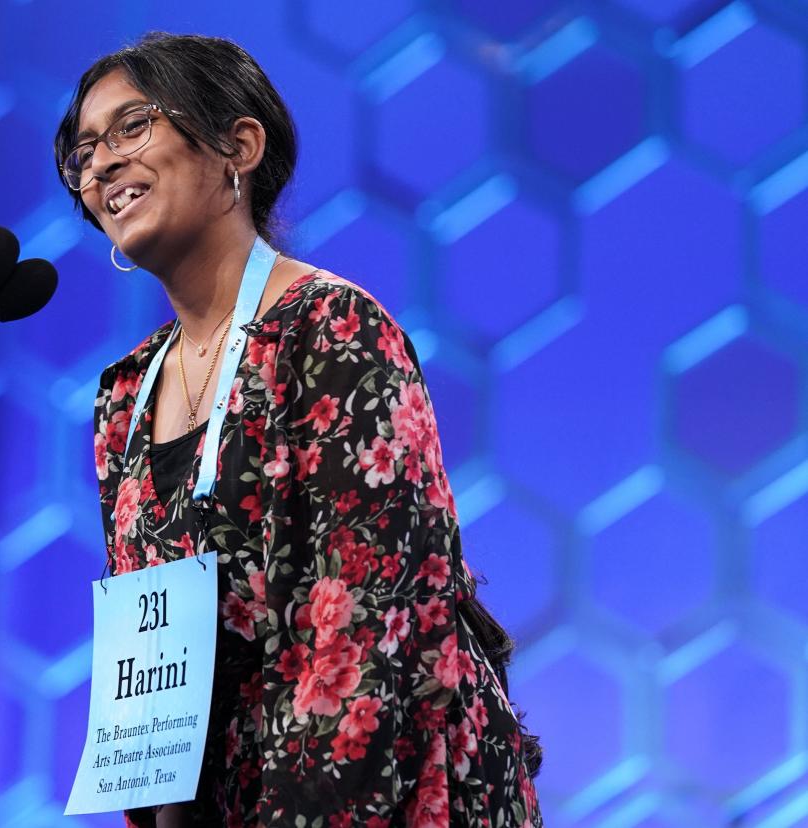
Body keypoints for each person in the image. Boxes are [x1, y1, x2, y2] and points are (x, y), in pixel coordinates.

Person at [55, 32, 542, 828]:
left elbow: (377, 626)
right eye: (84, 150)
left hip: (373, 791)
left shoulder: (332, 330)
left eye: (132, 126)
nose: (101, 162)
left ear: (237, 147)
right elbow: (148, 666)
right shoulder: (124, 398)